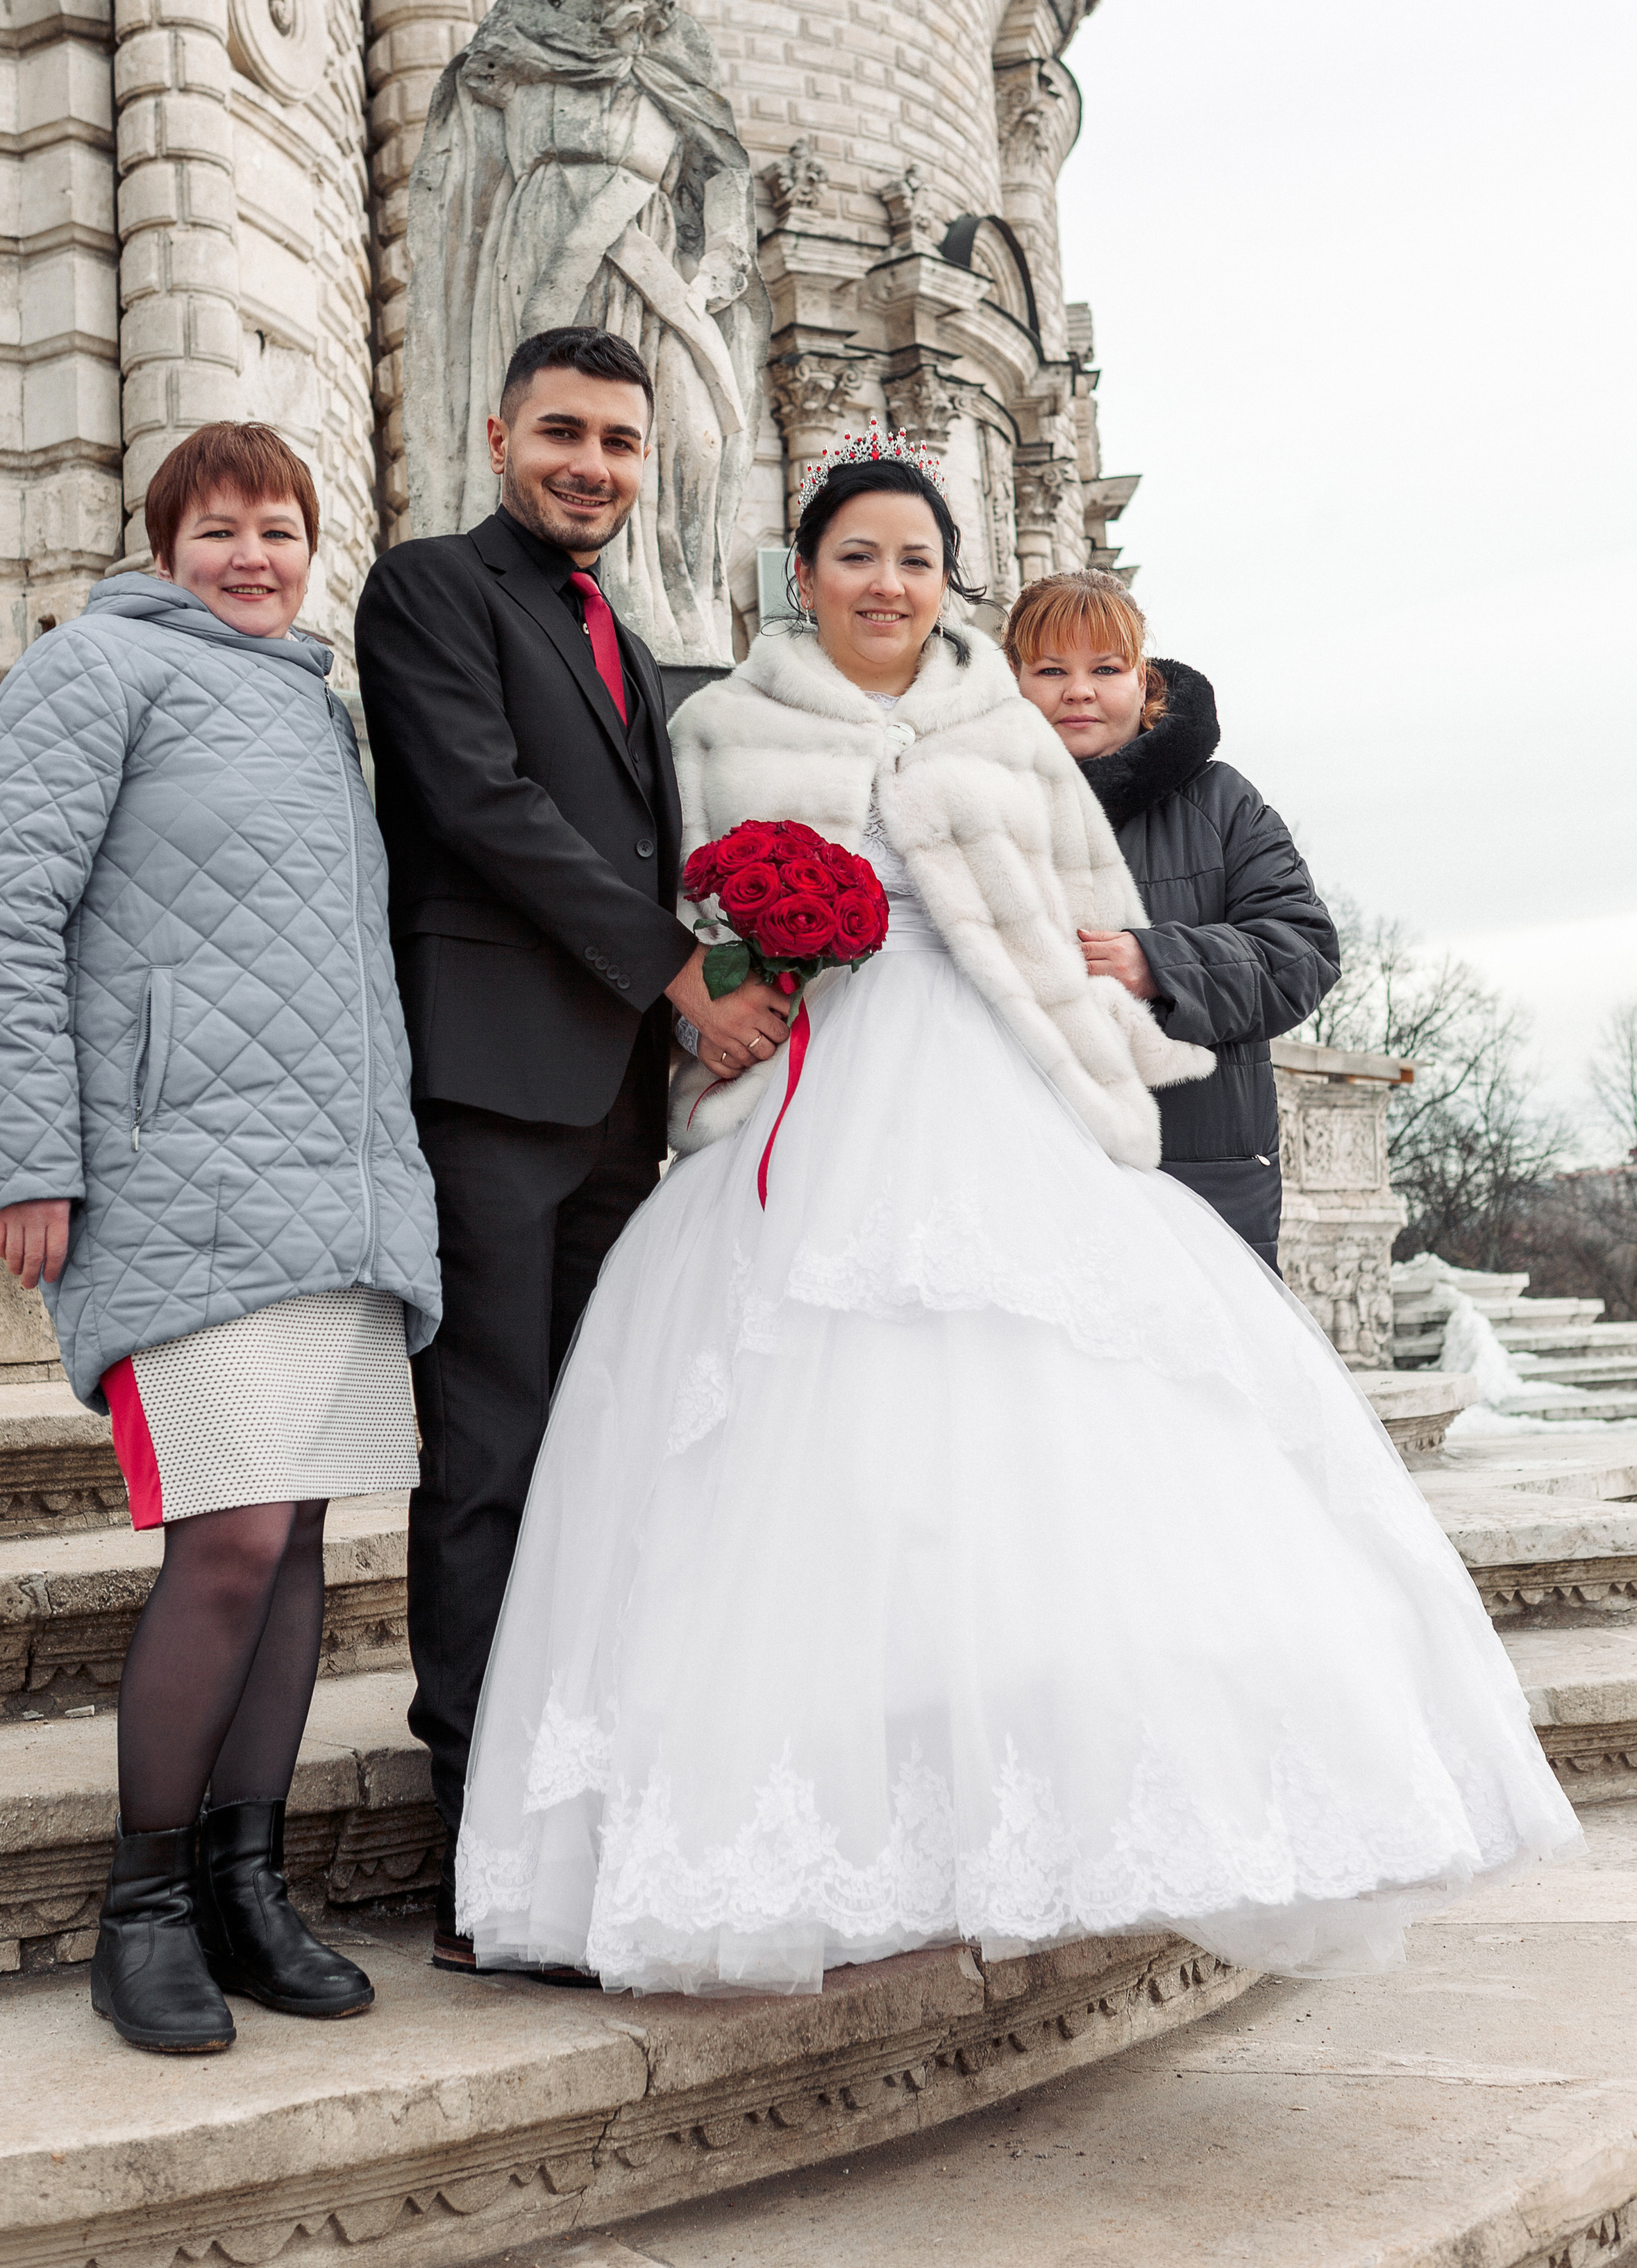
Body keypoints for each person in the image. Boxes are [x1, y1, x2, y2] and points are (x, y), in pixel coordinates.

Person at [453, 430, 1579, 1997]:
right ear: (804, 573)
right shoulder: (712, 726)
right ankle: (841, 1830)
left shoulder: (1005, 726)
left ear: (942, 580)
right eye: (857, 556)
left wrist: (1111, 1000)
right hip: (804, 1093)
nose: (887, 584)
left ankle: (1034, 1822)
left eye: (915, 559)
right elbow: (671, 919)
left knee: (1035, 1444)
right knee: (807, 1460)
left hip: (989, 1083)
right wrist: (734, 972)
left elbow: (1092, 912)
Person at [0, 423, 442, 2056]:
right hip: (176, 1180)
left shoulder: (318, 707)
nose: (251, 554)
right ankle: (139, 1905)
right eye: (215, 527)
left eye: (278, 528)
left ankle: (248, 1881)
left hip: (329, 1187)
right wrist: (33, 1156)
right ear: (161, 546)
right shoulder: (95, 670)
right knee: (223, 1548)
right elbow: (6, 913)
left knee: (296, 1547)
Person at [353, 324, 792, 1976]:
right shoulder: (430, 591)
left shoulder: (623, 625)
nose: (591, 465)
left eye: (617, 441)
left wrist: (750, 975)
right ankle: (475, 1851)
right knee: (484, 1458)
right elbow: (483, 806)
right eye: (562, 433)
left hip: (619, 1106)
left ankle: (573, 1818)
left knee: (594, 1460)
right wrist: (682, 976)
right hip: (488, 1087)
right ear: (496, 431)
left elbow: (651, 850)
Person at [1004, 571, 1339, 1268]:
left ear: (1143, 682)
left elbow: (1302, 950)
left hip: (1194, 1178)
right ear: (1013, 681)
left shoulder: (1220, 803)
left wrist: (1156, 964)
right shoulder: (972, 808)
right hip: (1019, 1173)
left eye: (1105, 667)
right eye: (1050, 669)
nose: (1079, 691)